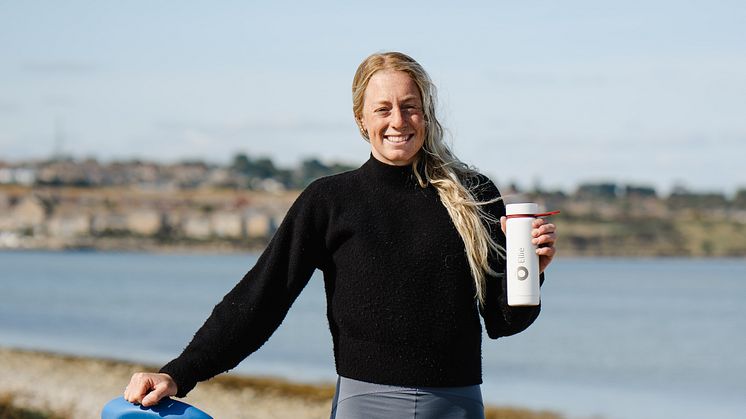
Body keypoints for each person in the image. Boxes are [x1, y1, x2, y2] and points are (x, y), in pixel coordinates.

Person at [124, 51, 558, 419]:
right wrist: (179, 372)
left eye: (410, 106)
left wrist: (531, 273)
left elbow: (504, 322)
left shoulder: (473, 195)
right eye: (383, 108)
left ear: (426, 113)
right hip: (363, 405)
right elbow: (260, 299)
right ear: (361, 119)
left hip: (456, 405)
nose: (398, 121)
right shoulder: (329, 201)